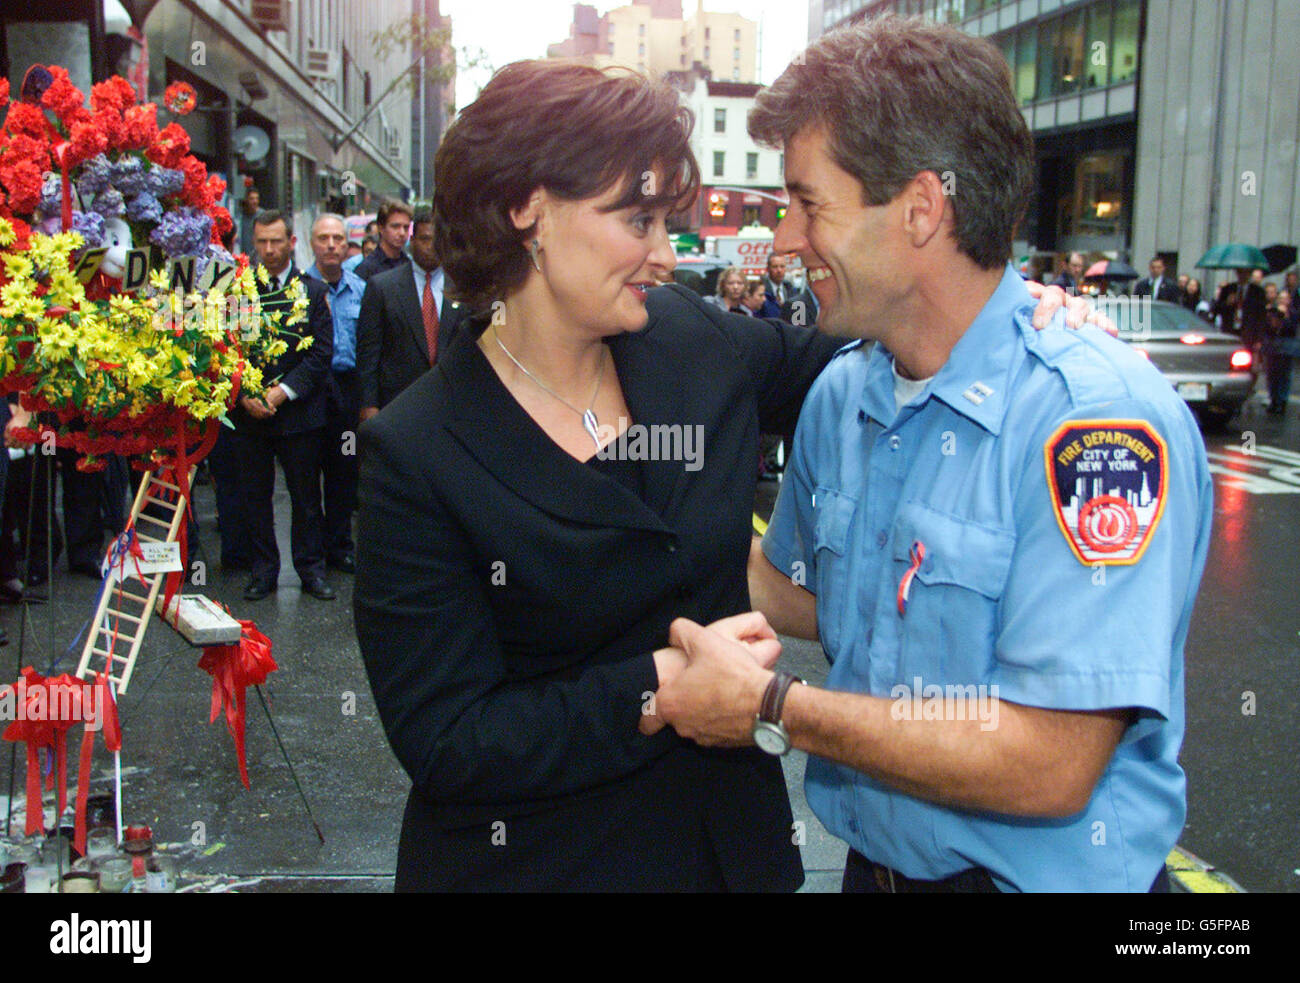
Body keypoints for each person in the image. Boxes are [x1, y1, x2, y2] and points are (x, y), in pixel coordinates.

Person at [353, 58, 1094, 893]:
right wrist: (662, 688)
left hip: (732, 859)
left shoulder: (688, 341)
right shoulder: (421, 450)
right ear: (529, 210)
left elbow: (885, 342)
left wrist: (1017, 315)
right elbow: (449, 738)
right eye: (637, 221)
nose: (665, 256)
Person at [652, 15, 1212, 894]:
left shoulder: (1093, 426)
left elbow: (1051, 759)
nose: (788, 241)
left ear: (921, 208)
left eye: (808, 202)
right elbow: (805, 590)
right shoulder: (844, 395)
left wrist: (773, 707)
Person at [231, 210, 336, 602]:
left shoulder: (311, 291)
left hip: (299, 413)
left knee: (306, 497)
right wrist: (244, 394)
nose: (269, 250)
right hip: (250, 414)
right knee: (255, 497)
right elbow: (226, 349)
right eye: (262, 242)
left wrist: (283, 391)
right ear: (253, 243)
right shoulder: (239, 291)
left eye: (277, 241)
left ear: (292, 242)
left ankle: (310, 569)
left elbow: (321, 353)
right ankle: (263, 571)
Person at [355, 209, 470, 421]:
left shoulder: (462, 288)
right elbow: (368, 352)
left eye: (438, 240)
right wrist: (368, 404)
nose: (431, 247)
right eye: (425, 239)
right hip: (397, 403)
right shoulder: (382, 287)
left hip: (451, 403)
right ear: (413, 240)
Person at [304, 213, 367, 572]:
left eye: (337, 239)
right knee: (307, 476)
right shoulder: (298, 289)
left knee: (343, 474)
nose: (331, 245)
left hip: (347, 390)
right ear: (312, 243)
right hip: (310, 389)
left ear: (347, 244)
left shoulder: (361, 289)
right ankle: (311, 555)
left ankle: (340, 546)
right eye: (323, 238)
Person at [353, 200, 412, 282]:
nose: (402, 233)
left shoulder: (409, 265)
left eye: (406, 227)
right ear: (381, 228)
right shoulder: (366, 268)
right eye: (395, 226)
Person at [1264, 286, 1294, 415]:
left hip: (1287, 347)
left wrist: (1284, 318)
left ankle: (1282, 400)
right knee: (1272, 374)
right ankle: (1273, 399)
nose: (1283, 301)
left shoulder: (1293, 313)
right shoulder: (1272, 312)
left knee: (1285, 375)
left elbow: (1291, 329)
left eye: (1285, 298)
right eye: (1281, 298)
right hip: (1273, 346)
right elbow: (1268, 328)